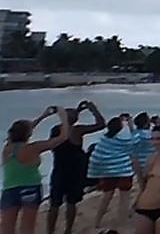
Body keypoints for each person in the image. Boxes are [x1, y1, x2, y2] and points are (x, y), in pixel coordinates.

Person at [2, 106, 69, 234]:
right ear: (29, 133)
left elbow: (23, 130)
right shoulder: (34, 147)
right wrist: (63, 116)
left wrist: (43, 116)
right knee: (27, 228)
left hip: (10, 189)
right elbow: (63, 137)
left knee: (6, 229)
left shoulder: (7, 148)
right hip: (30, 188)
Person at [47, 100, 105, 234]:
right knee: (71, 203)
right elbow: (101, 124)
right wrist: (93, 109)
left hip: (59, 170)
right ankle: (68, 230)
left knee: (54, 204)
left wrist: (76, 112)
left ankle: (50, 231)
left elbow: (68, 121)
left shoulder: (56, 130)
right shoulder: (77, 130)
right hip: (74, 172)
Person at [87, 117, 137, 232]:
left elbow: (98, 155)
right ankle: (122, 224)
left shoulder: (104, 138)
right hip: (124, 170)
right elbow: (134, 143)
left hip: (108, 171)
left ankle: (97, 222)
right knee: (124, 199)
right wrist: (130, 125)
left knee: (106, 197)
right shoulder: (125, 138)